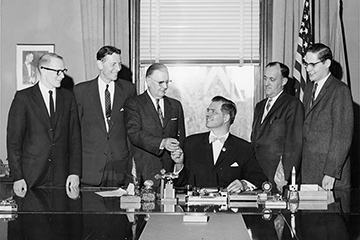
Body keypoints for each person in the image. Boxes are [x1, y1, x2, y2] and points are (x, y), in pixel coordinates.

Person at [7, 53, 81, 195]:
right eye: (58, 71)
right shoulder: (23, 98)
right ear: (43, 70)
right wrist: (18, 177)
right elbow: (14, 142)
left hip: (62, 177)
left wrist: (74, 172)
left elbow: (75, 139)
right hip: (31, 177)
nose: (62, 76)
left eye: (63, 71)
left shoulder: (69, 97)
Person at [172, 96, 267, 192]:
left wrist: (243, 184)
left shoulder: (244, 148)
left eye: (213, 111)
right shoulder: (190, 143)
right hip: (195, 205)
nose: (208, 114)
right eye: (208, 110)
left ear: (226, 118)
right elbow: (180, 184)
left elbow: (258, 178)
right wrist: (179, 164)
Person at [73, 45, 135, 187]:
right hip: (90, 167)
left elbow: (131, 129)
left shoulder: (128, 90)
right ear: (100, 64)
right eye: (113, 64)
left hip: (119, 166)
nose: (118, 68)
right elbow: (75, 132)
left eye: (119, 63)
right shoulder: (81, 91)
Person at [124, 63, 185, 187]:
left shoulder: (175, 106)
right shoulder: (134, 104)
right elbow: (134, 134)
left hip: (169, 176)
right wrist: (162, 143)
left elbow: (181, 137)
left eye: (168, 82)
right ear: (148, 81)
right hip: (142, 174)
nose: (165, 87)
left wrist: (179, 155)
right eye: (161, 82)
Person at [302, 43, 354, 190]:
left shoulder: (340, 90)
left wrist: (331, 173)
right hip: (309, 170)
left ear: (327, 63)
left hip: (329, 173)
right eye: (306, 64)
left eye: (312, 64)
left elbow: (342, 136)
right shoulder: (308, 89)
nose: (307, 69)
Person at [251, 62, 304, 192]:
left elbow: (295, 143)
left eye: (272, 79)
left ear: (284, 81)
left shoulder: (292, 105)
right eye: (265, 78)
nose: (266, 83)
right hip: (258, 173)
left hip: (278, 176)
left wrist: (285, 176)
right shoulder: (259, 106)